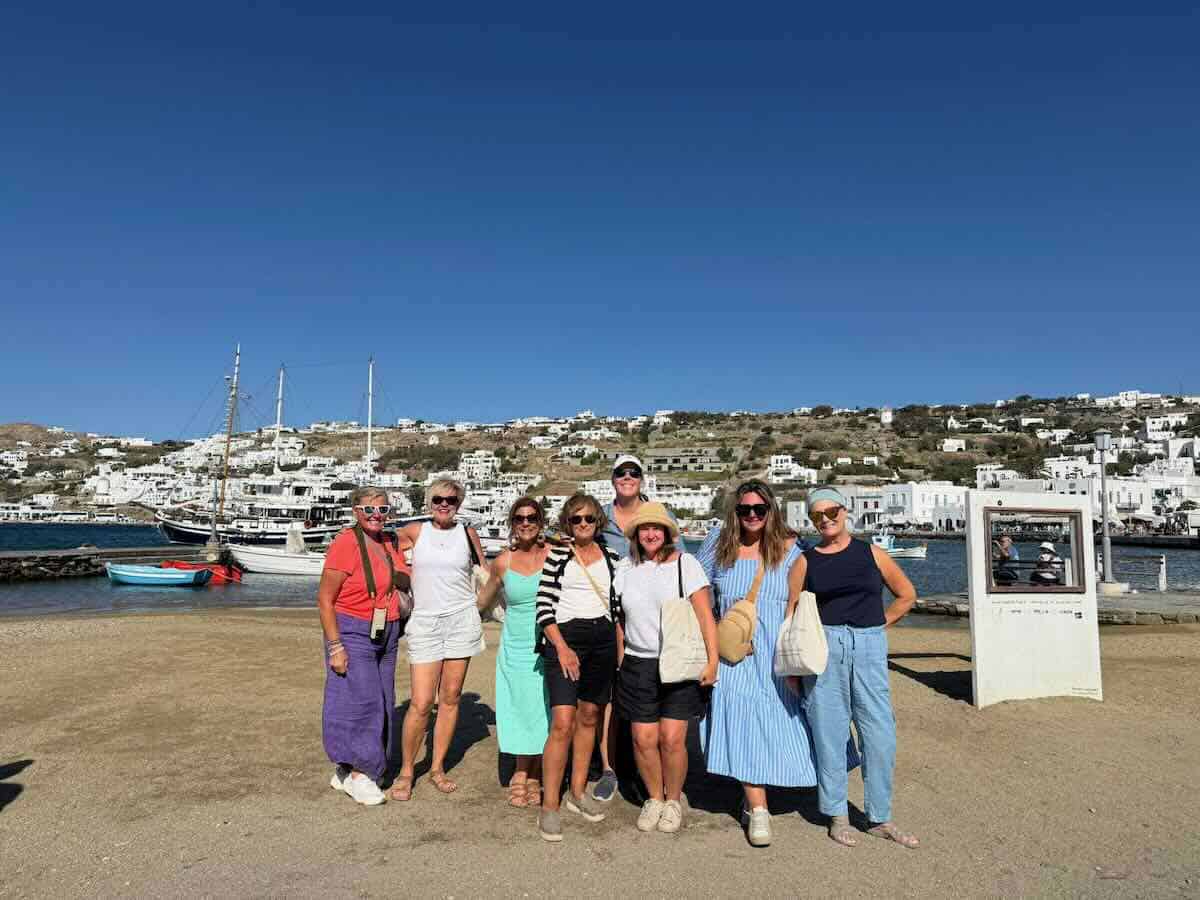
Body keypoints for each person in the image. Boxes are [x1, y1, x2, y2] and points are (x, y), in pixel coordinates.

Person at [788, 486, 920, 849]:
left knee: (879, 734)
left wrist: (879, 626)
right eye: (818, 515)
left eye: (832, 512)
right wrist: (794, 670)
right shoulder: (806, 561)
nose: (826, 519)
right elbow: (793, 613)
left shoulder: (871, 553)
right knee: (829, 733)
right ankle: (837, 814)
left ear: (845, 512)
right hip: (824, 649)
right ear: (812, 520)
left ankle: (880, 816)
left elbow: (907, 594)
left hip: (868, 645)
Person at [695, 479, 824, 847]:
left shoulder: (794, 549)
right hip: (737, 654)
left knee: (784, 724)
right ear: (735, 513)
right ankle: (758, 807)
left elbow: (816, 587)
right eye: (744, 509)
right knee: (744, 723)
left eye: (759, 509)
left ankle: (782, 786)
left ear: (771, 511)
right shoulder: (719, 547)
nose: (752, 516)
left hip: (777, 654)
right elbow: (693, 588)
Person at [614, 502, 718, 834]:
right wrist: (621, 662)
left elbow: (705, 616)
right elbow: (620, 620)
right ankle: (654, 798)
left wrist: (713, 660)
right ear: (635, 534)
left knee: (672, 739)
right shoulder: (624, 569)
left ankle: (673, 800)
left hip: (677, 662)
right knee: (643, 738)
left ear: (668, 533)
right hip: (637, 663)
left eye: (657, 528)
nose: (651, 533)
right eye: (645, 528)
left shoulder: (685, 565)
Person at [391, 478, 487, 801]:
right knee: (420, 703)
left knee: (451, 697)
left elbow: (487, 576)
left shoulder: (467, 534)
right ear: (429, 502)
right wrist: (398, 577)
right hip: (426, 622)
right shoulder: (416, 532)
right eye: (438, 499)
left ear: (459, 503)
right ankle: (406, 771)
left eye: (450, 499)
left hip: (462, 620)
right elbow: (384, 548)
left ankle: (436, 768)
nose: (444, 504)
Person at [534, 493, 622, 842]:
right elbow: (544, 607)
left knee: (590, 716)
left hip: (601, 640)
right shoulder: (558, 555)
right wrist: (562, 647)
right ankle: (550, 805)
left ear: (598, 521)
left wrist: (619, 651)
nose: (582, 524)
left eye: (588, 519)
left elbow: (617, 609)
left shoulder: (612, 557)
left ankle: (577, 790)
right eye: (576, 519)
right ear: (567, 522)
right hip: (565, 640)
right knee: (563, 722)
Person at [592, 453, 681, 803]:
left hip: (651, 617)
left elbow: (676, 557)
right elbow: (576, 541)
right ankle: (611, 769)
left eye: (633, 472)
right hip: (608, 614)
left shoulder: (659, 513)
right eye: (620, 473)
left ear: (641, 479)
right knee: (612, 697)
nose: (627, 477)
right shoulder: (600, 516)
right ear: (612, 478)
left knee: (649, 696)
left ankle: (647, 771)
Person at [317, 487, 411, 806]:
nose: (376, 516)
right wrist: (335, 646)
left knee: (384, 701)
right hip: (353, 629)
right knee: (364, 702)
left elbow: (403, 573)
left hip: (387, 629)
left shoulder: (387, 541)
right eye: (369, 510)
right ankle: (361, 773)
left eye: (383, 510)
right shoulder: (345, 543)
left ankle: (349, 769)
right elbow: (325, 599)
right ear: (356, 511)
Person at [476, 497, 551, 808]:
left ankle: (531, 773)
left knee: (543, 707)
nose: (525, 522)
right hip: (516, 644)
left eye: (531, 517)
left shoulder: (555, 554)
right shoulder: (503, 562)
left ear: (541, 521)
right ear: (512, 523)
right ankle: (526, 771)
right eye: (519, 518)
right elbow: (481, 603)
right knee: (520, 706)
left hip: (550, 643)